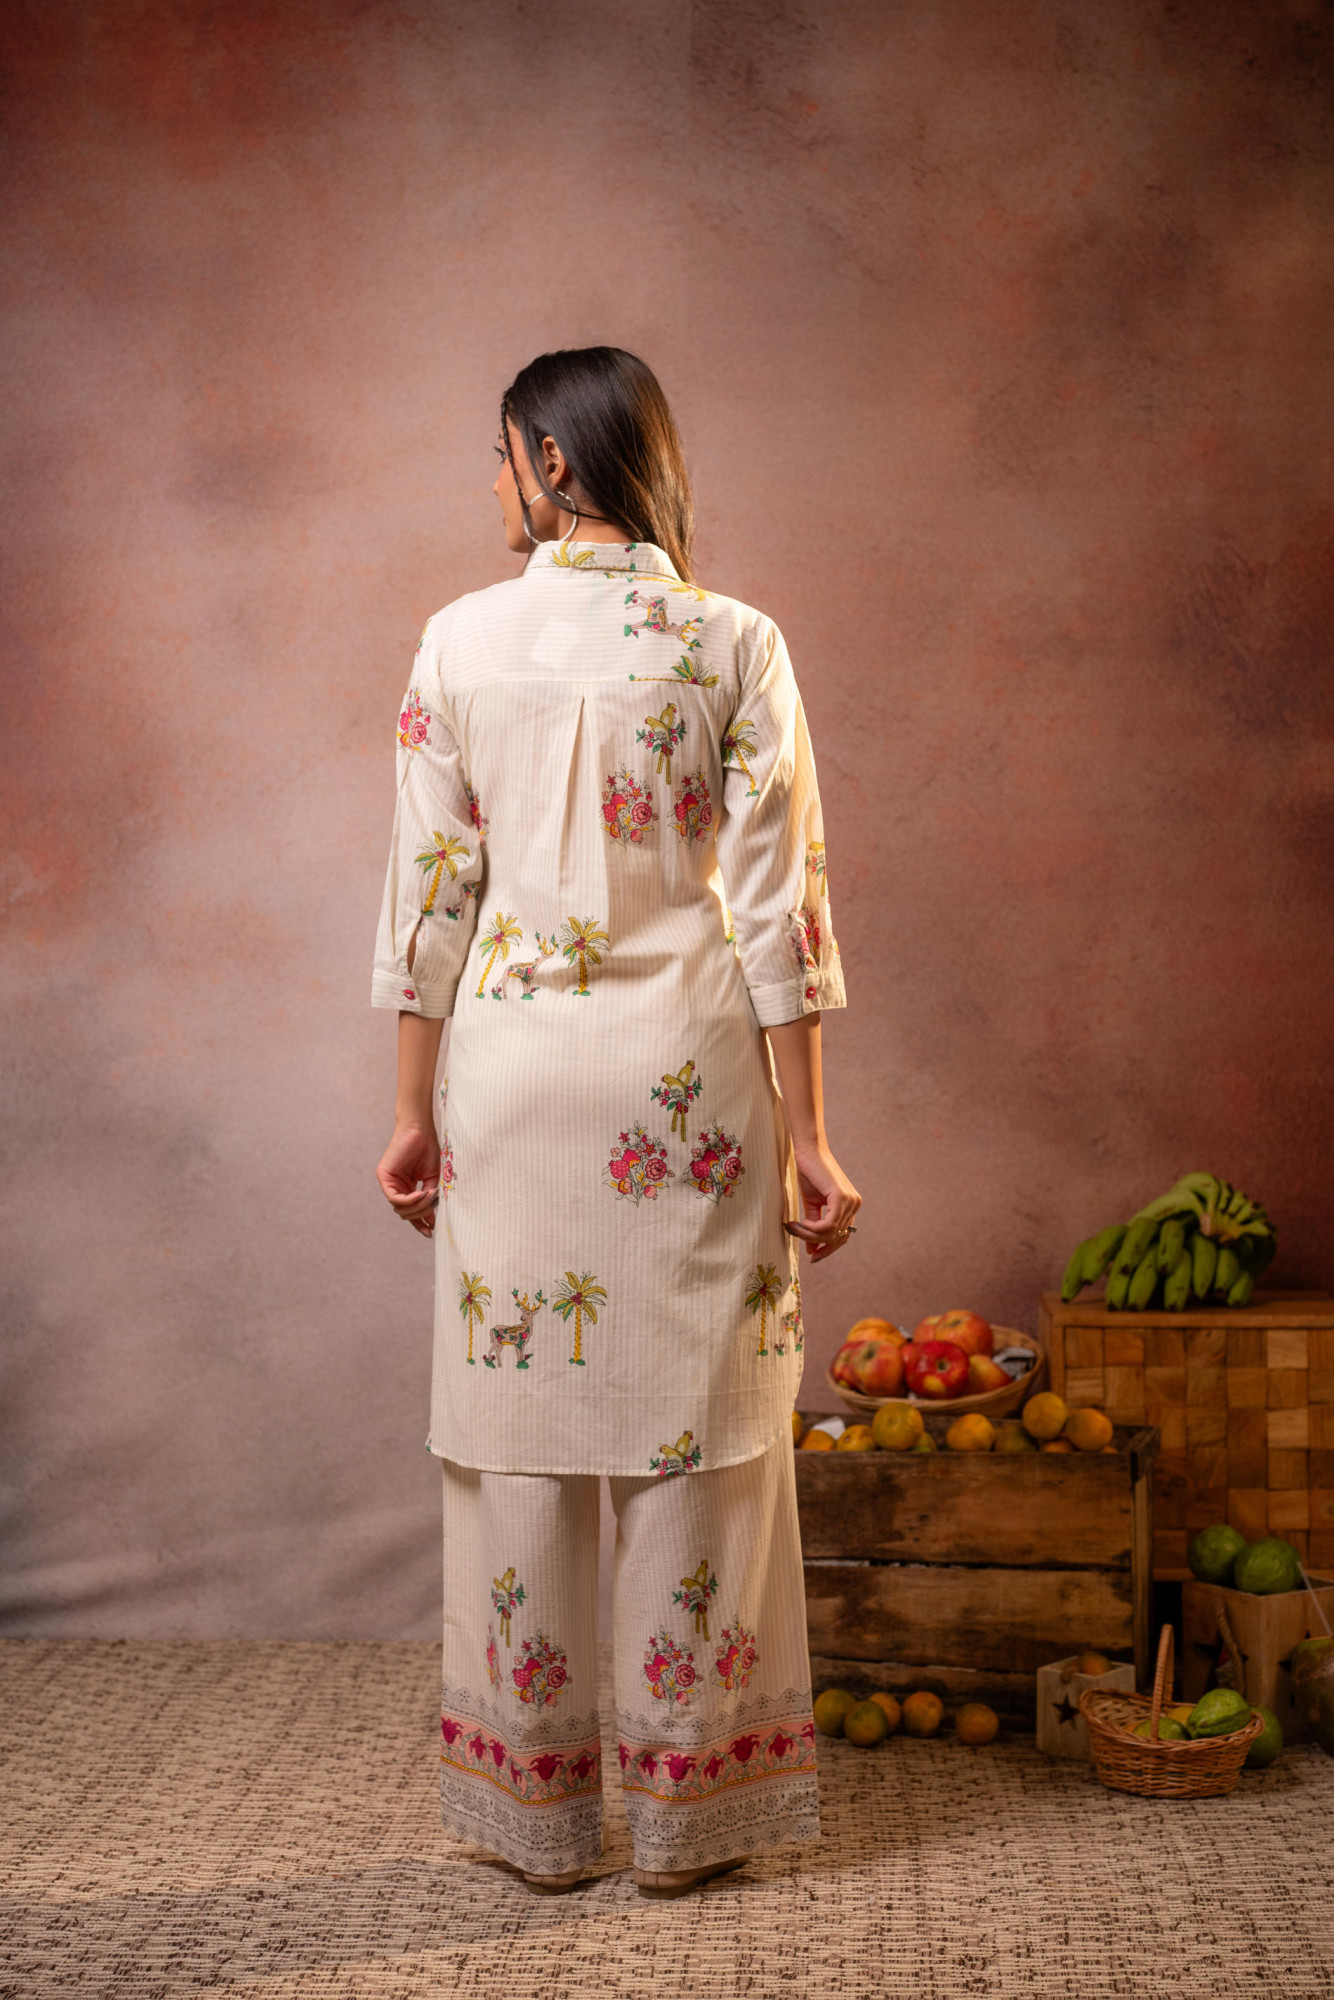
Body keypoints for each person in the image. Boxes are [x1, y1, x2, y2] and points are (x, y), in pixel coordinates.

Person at [372, 346, 860, 1898]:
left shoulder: (457, 641)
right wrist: (807, 1137)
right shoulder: (734, 643)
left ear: (550, 462)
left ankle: (535, 1818)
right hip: (689, 1087)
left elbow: (430, 901)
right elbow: (780, 915)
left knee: (514, 1442)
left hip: (512, 1085)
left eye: (500, 457)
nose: (493, 486)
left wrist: (408, 1112)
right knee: (697, 1435)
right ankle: (682, 1819)